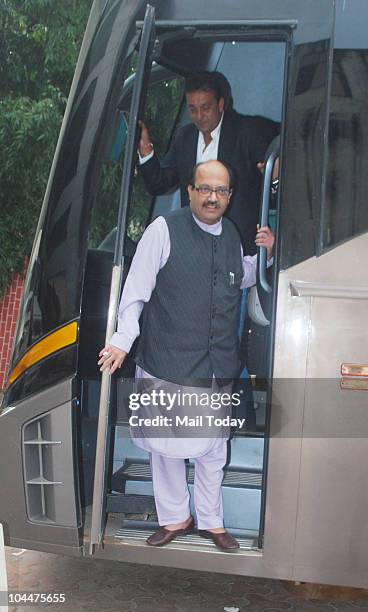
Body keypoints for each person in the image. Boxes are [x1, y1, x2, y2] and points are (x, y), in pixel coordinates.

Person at [99, 160, 274, 551]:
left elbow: (239, 275)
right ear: (191, 190)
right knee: (165, 450)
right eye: (205, 188)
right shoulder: (163, 231)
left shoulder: (230, 235)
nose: (213, 197)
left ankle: (212, 522)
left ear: (229, 196)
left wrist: (264, 256)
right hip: (169, 360)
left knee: (214, 449)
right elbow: (136, 291)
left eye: (221, 191)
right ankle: (175, 517)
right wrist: (123, 339)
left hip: (216, 365)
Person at [138, 71, 279, 254]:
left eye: (205, 107)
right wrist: (146, 151)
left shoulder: (246, 133)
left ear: (220, 104)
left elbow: (274, 194)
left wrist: (275, 178)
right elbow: (159, 184)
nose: (198, 116)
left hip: (239, 251)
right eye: (192, 109)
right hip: (196, 251)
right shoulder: (184, 138)